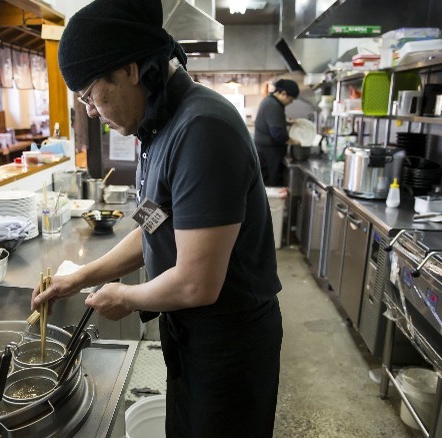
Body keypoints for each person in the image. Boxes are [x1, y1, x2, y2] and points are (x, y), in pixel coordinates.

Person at [31, 0, 283, 436]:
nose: (91, 110)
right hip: (190, 334)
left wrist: (125, 297)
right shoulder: (157, 129)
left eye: (91, 94)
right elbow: (151, 228)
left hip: (229, 347)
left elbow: (196, 282)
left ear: (130, 70)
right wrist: (81, 277)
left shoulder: (203, 129)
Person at [253, 79, 300, 187]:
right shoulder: (273, 105)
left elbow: (271, 122)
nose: (291, 102)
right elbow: (278, 134)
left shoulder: (271, 101)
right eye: (291, 99)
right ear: (283, 93)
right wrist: (295, 142)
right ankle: (269, 204)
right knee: (270, 183)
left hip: (267, 151)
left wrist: (286, 122)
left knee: (268, 182)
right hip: (269, 153)